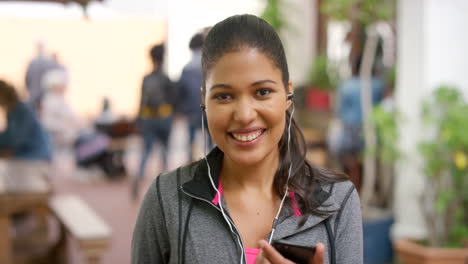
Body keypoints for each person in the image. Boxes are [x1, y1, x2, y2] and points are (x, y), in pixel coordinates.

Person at [132, 14, 363, 264]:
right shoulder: (166, 198)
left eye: (262, 92)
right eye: (224, 96)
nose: (244, 115)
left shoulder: (338, 200)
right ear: (203, 100)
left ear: (288, 93)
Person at [133, 43, 176, 199]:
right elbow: (173, 100)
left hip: (147, 118)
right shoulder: (166, 79)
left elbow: (140, 101)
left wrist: (138, 120)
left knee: (146, 151)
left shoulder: (146, 78)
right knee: (164, 152)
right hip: (164, 117)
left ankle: (138, 178)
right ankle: (164, 188)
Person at [177, 32, 213, 161]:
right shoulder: (210, 66)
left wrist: (181, 110)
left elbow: (180, 91)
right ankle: (213, 164)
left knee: (191, 139)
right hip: (209, 108)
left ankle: (191, 164)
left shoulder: (186, 68)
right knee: (212, 139)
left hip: (191, 109)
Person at [0, 79, 52, 161]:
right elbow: (8, 136)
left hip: (36, 155)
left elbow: (18, 139)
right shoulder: (11, 112)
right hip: (25, 154)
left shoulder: (23, 110)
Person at [25, 41, 56, 110]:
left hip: (35, 95)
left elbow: (27, 80)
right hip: (45, 96)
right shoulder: (49, 62)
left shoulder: (32, 63)